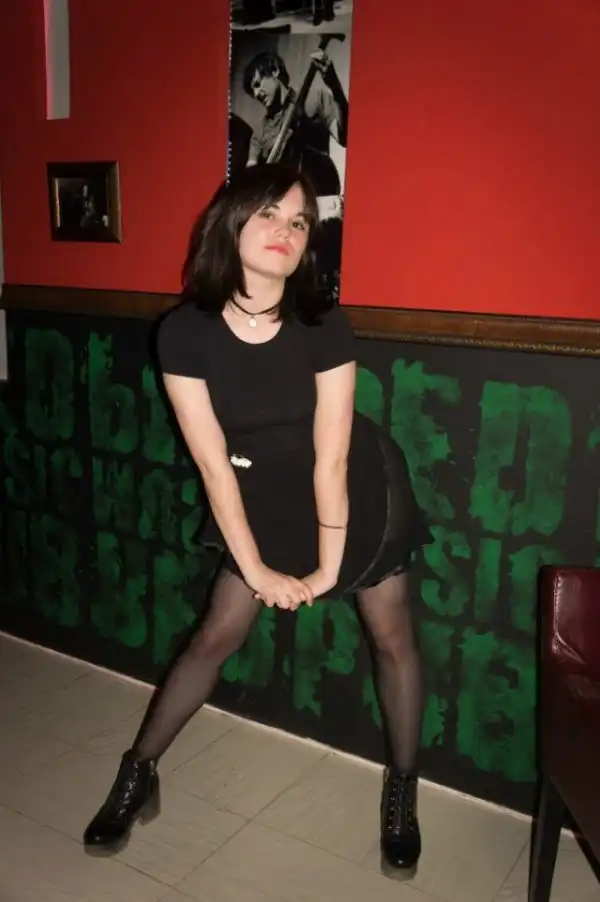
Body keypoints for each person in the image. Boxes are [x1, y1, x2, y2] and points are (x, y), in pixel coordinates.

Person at [83, 163, 430, 878]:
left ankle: (402, 789)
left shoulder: (324, 325)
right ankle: (137, 773)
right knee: (216, 635)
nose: (285, 230)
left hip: (355, 492)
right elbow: (213, 467)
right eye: (269, 213)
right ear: (231, 223)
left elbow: (332, 460)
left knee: (392, 638)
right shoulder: (184, 332)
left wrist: (327, 571)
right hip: (255, 491)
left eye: (299, 221)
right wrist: (258, 569)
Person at [243, 49, 347, 197]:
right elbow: (249, 179)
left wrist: (335, 87)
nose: (256, 94)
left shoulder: (314, 98)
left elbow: (345, 138)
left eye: (258, 84)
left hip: (319, 193)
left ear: (275, 70)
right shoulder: (258, 133)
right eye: (252, 91)